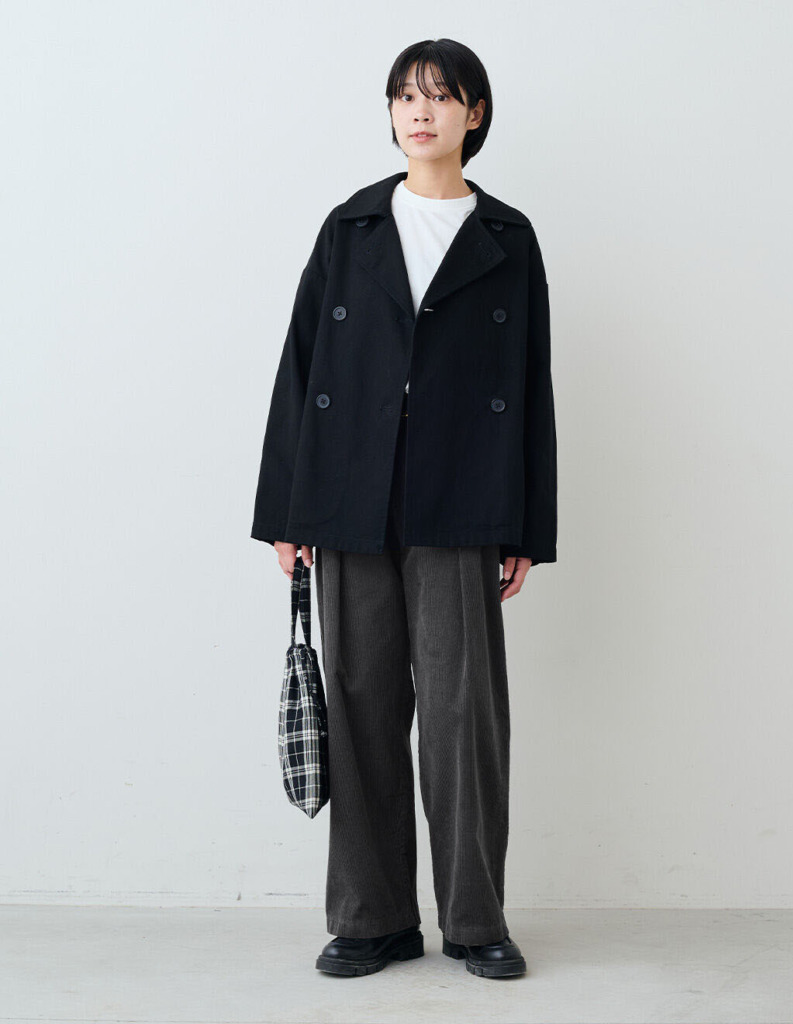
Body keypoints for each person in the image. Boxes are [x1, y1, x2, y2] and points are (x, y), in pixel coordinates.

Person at [251, 38, 557, 979]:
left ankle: (473, 920)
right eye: (404, 96)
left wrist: (526, 527)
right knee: (358, 706)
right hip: (348, 489)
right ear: (390, 113)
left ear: (474, 113)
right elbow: (301, 367)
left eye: (440, 95)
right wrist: (286, 510)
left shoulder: (507, 237)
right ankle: (372, 919)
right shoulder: (350, 227)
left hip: (461, 494)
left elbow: (531, 385)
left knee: (464, 715)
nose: (419, 111)